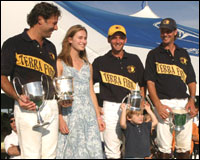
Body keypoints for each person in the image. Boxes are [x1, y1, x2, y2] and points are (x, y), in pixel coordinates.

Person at [1, 2, 61, 158]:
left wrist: (62, 99)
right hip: (27, 106)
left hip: (50, 105)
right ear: (40, 19)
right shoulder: (13, 43)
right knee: (31, 155)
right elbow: (2, 76)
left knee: (50, 155)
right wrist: (17, 97)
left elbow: (54, 79)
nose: (56, 28)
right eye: (54, 23)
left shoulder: (51, 47)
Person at [144, 18, 197, 159]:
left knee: (184, 148)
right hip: (164, 104)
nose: (165, 34)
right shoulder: (153, 54)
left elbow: (191, 80)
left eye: (168, 31)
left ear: (175, 32)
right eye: (162, 31)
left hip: (183, 104)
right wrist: (158, 105)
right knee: (164, 148)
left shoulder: (183, 54)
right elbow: (150, 82)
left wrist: (192, 100)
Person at [92, 24, 146, 158]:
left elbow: (143, 83)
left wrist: (142, 100)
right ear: (108, 39)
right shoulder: (100, 61)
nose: (118, 41)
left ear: (125, 40)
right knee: (112, 150)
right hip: (109, 107)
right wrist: (97, 105)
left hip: (131, 107)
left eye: (121, 38)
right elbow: (90, 85)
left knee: (133, 148)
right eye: (114, 38)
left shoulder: (134, 59)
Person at [55, 25, 105, 159]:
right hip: (70, 112)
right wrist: (60, 118)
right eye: (80, 38)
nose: (84, 41)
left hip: (88, 114)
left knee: (92, 150)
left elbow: (91, 92)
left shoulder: (88, 65)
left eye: (85, 38)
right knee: (71, 150)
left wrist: (98, 117)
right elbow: (57, 94)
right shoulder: (60, 63)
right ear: (70, 39)